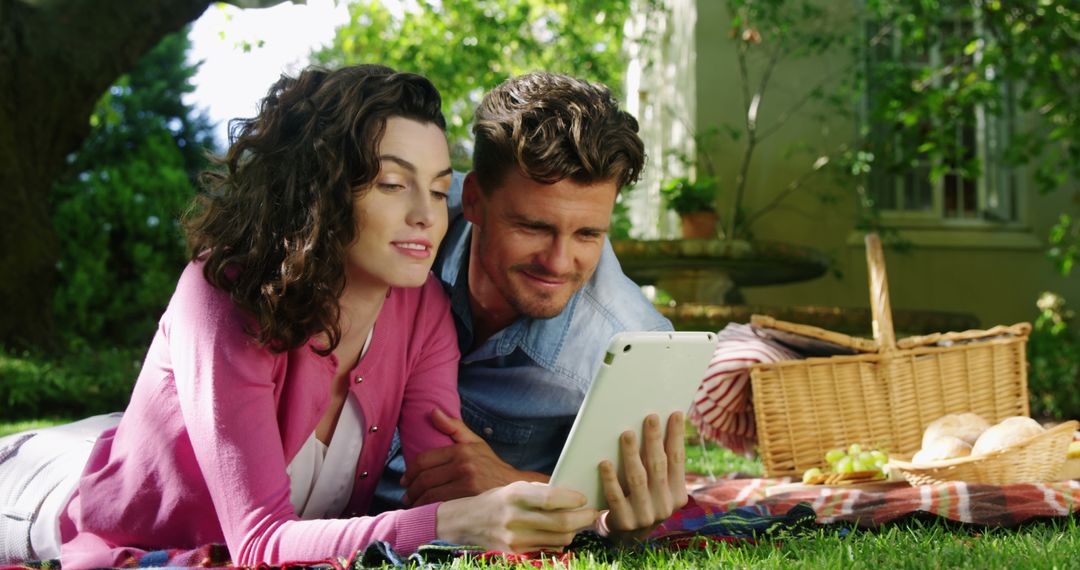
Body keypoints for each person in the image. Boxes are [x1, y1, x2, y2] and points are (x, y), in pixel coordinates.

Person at [0, 64, 599, 568]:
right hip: (48, 499)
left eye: (439, 190)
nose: (426, 215)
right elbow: (260, 544)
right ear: (325, 189)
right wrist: (456, 521)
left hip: (140, 445)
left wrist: (583, 510)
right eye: (393, 184)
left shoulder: (424, 312)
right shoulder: (226, 297)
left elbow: (437, 486)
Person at [376, 72, 684, 541]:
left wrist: (513, 484)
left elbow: (632, 510)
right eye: (534, 227)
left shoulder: (628, 347)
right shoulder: (407, 218)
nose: (559, 262)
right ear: (474, 199)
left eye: (588, 234)